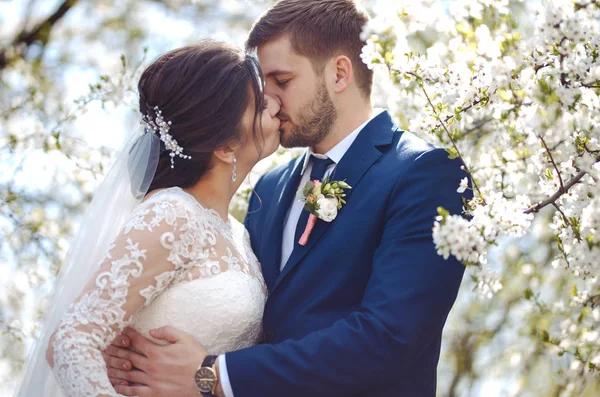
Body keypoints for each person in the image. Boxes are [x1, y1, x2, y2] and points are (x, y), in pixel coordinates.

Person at [104, 1, 472, 396]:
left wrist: (215, 375)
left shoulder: (424, 172)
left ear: (339, 73)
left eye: (282, 80)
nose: (272, 102)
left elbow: (389, 337)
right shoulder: (270, 186)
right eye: (265, 86)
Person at [16, 40, 282, 397]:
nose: (278, 105)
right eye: (262, 105)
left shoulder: (237, 233)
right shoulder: (172, 214)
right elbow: (70, 341)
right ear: (225, 146)